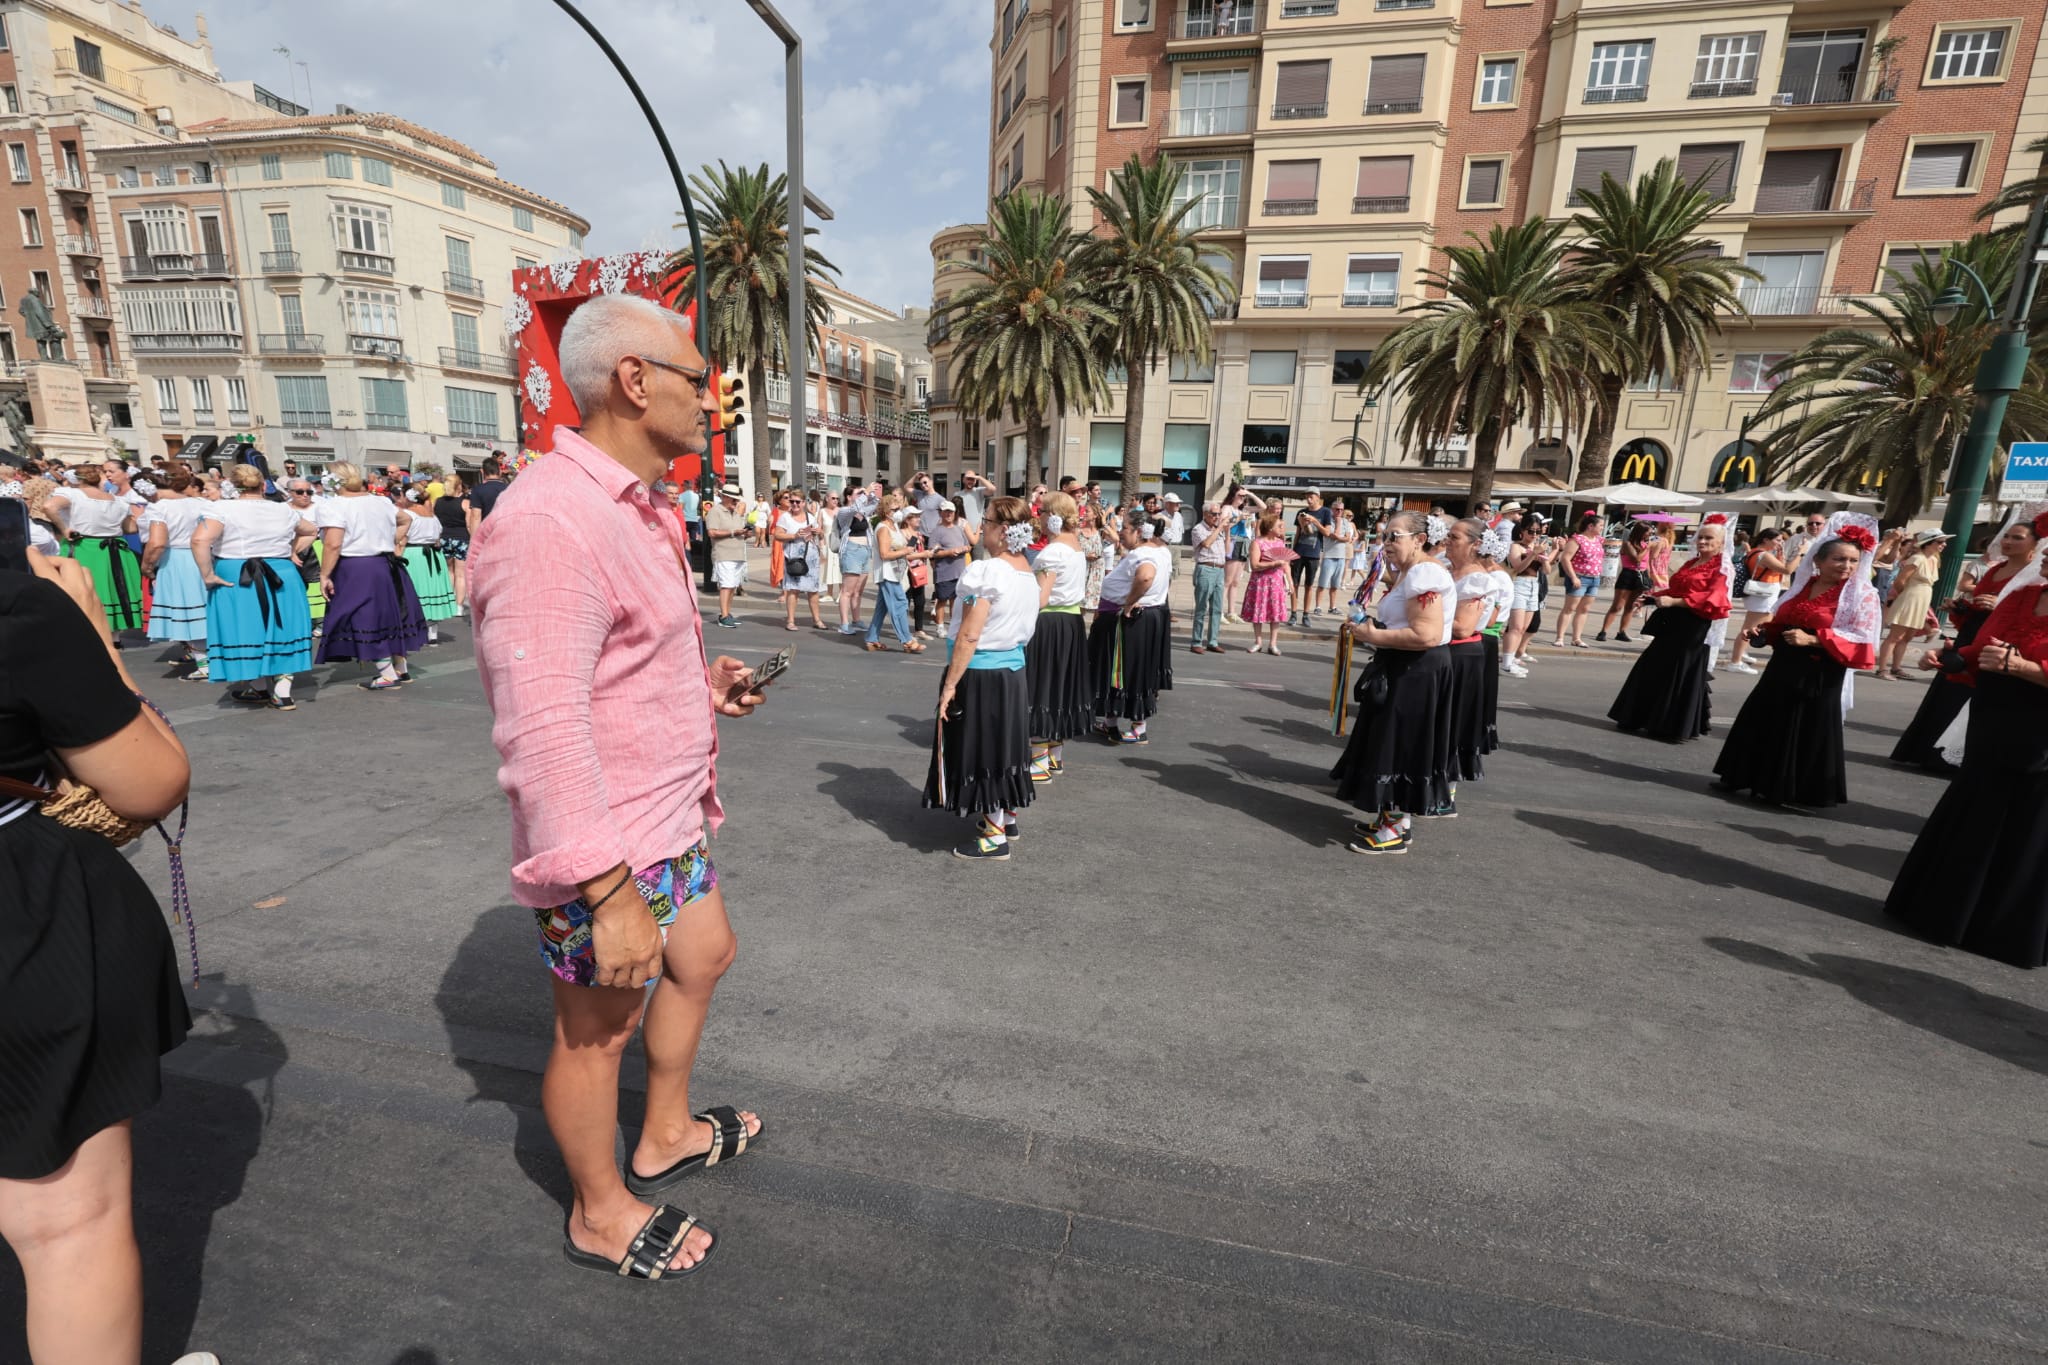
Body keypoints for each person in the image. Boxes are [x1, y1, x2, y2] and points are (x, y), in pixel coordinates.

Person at [469, 291, 767, 1283]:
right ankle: (598, 1210)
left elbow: (620, 660)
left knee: (704, 955)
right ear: (634, 382)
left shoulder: (636, 508)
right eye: (697, 376)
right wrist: (603, 892)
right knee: (597, 1034)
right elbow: (542, 728)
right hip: (606, 845)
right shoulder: (550, 519)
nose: (713, 397)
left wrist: (703, 680)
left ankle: (666, 1130)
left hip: (667, 816)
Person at [0, 547, 202, 1365]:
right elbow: (149, 781)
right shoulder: (19, 610)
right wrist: (89, 626)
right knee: (65, 1223)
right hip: (21, 924)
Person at [1884, 520, 2048, 967]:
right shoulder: (2024, 595)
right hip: (1994, 722)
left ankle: (1997, 928)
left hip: (2039, 733)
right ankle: (1943, 910)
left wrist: (2024, 669)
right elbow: (1987, 645)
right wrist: (1953, 656)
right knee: (1976, 809)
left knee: (2024, 822)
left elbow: (2018, 659)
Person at [1712, 516, 1880, 808]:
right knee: (1765, 716)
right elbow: (1786, 620)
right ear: (1819, 560)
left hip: (1821, 668)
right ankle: (1745, 775)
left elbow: (1863, 640)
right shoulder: (1804, 584)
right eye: (1839, 559)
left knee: (1804, 723)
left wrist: (1815, 640)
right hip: (1784, 664)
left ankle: (1789, 788)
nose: (1847, 566)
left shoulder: (1862, 595)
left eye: (1853, 561)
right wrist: (1764, 631)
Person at [926, 498, 1043, 859]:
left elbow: (970, 634)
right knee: (1004, 743)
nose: (980, 528)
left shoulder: (988, 571)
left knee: (983, 747)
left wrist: (949, 686)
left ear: (1003, 530)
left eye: (986, 520)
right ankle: (1005, 816)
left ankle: (995, 836)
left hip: (982, 671)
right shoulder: (1027, 571)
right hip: (1012, 671)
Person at [1332, 510, 1454, 854]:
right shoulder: (1409, 573)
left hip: (1417, 669)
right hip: (1405, 665)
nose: (1386, 543)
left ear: (1419, 539)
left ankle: (1395, 829)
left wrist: (1372, 635)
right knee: (1390, 741)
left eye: (1394, 536)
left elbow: (1425, 635)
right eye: (1385, 535)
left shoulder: (1424, 574)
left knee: (1401, 744)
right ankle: (1392, 820)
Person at [1892, 513, 2042, 771]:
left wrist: (1997, 606)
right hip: (1973, 633)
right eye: (2006, 536)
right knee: (1947, 688)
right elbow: (1979, 600)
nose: (2007, 542)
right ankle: (1927, 749)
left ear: (2035, 545)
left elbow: (2024, 616)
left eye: (2017, 538)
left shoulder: (2033, 578)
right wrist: (1962, 608)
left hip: (2000, 643)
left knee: (1967, 695)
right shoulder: (1995, 568)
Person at [191, 462, 318, 710]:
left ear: (233, 486)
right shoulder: (283, 510)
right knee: (284, 628)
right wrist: (292, 552)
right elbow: (311, 530)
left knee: (247, 628)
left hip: (238, 572)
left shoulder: (222, 508)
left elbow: (199, 539)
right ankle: (281, 692)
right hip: (281, 571)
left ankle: (258, 686)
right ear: (263, 485)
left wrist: (207, 574)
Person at [1608, 516, 1733, 743]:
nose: (1702, 541)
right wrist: (1650, 598)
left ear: (1721, 543)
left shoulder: (1721, 568)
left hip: (1693, 624)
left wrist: (1674, 602)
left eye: (1709, 538)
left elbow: (1714, 599)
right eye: (1701, 537)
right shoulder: (1691, 563)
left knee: (1679, 671)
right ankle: (1639, 716)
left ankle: (1668, 725)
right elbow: (1674, 589)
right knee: (1655, 666)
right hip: (1673, 621)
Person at [315, 461, 428, 691]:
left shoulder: (334, 505)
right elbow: (406, 519)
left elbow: (333, 544)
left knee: (363, 617)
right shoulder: (380, 501)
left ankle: (387, 674)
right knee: (390, 615)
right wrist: (391, 540)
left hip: (356, 566)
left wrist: (325, 574)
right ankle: (401, 670)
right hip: (385, 563)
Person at [1088, 512, 1174, 743]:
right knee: (1127, 670)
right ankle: (1112, 723)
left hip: (1131, 618)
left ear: (1138, 531)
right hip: (1145, 616)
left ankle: (1137, 727)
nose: (1121, 531)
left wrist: (1127, 604)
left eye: (1124, 528)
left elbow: (1146, 576)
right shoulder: (1160, 550)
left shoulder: (1143, 554)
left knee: (1122, 670)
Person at [1026, 493, 1090, 782]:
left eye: (1041, 513)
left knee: (1042, 684)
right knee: (1061, 685)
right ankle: (1055, 755)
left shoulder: (1052, 552)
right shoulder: (1075, 546)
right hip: (1072, 621)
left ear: (1052, 517)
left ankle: (1038, 760)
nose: (1037, 517)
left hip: (1050, 621)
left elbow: (1039, 598)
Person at [1441, 518, 1495, 813]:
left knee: (1452, 723)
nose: (1448, 540)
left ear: (1475, 544)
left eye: (1455, 537)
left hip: (1461, 657)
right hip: (1442, 651)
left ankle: (1446, 790)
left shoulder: (1479, 579)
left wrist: (1421, 622)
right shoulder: (1446, 569)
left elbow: (1463, 627)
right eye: (1448, 535)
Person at [47, 473, 142, 637]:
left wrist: (64, 528)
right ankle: (114, 640)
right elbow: (131, 528)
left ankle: (93, 640)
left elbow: (49, 507)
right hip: (116, 549)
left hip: (86, 547)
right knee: (112, 593)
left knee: (87, 592)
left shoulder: (71, 494)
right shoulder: (118, 500)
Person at [138, 463, 210, 676]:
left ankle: (204, 664)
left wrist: (147, 565)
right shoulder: (200, 503)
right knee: (204, 610)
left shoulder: (160, 507)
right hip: (204, 554)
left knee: (187, 610)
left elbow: (157, 542)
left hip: (178, 559)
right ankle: (210, 659)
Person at [1877, 531, 1948, 679]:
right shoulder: (1917, 559)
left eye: (1944, 542)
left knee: (1907, 637)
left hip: (1922, 600)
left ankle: (1896, 668)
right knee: (1895, 636)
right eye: (1940, 541)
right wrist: (1906, 597)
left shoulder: (1933, 560)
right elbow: (1899, 582)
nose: (1943, 545)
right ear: (1928, 543)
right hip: (1910, 599)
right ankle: (1882, 669)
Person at [865, 492, 930, 653]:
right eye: (895, 509)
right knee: (900, 603)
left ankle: (871, 639)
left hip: (896, 572)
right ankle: (907, 640)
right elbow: (884, 554)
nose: (898, 512)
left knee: (882, 607)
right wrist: (905, 550)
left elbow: (902, 548)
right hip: (888, 574)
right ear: (887, 512)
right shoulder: (883, 529)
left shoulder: (894, 526)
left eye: (899, 508)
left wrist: (909, 548)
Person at [1723, 527, 1789, 673]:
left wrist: (1780, 553)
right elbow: (1787, 569)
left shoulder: (1755, 552)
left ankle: (1739, 653)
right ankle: (1735, 661)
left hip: (1761, 595)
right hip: (1762, 596)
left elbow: (1779, 568)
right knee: (1750, 629)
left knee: (1752, 627)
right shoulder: (1764, 555)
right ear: (1766, 539)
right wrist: (1800, 553)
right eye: (1778, 540)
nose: (1780, 543)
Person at [399, 487, 459, 644]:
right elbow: (438, 538)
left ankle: (413, 630)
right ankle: (432, 632)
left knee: (414, 591)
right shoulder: (433, 517)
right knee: (430, 590)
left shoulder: (408, 515)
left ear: (408, 498)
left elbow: (402, 538)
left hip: (414, 555)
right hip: (433, 555)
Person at [1499, 516, 1553, 676]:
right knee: (1515, 627)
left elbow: (1547, 571)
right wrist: (1531, 555)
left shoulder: (1538, 546)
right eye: (1531, 531)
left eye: (1537, 531)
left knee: (1523, 628)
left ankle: (1512, 659)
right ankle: (1506, 663)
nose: (1534, 535)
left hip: (1534, 585)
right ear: (1522, 531)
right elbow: (1518, 567)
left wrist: (1544, 559)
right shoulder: (1515, 546)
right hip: (1519, 584)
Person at [771, 488, 827, 631]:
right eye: (792, 501)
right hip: (794, 557)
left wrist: (819, 532)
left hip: (811, 558)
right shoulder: (785, 517)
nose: (794, 504)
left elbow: (820, 535)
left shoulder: (810, 517)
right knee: (793, 590)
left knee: (813, 590)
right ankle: (790, 621)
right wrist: (794, 536)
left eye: (797, 502)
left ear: (803, 503)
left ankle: (817, 619)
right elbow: (777, 535)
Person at [1242, 510, 1293, 655]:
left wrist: (1290, 581)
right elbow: (1255, 565)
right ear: (1270, 528)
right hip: (1261, 581)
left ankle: (1273, 644)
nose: (1282, 529)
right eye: (1279, 526)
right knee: (1258, 610)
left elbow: (1285, 564)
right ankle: (1258, 641)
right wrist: (1273, 563)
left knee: (1275, 612)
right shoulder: (1257, 543)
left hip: (1276, 581)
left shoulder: (1280, 542)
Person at [1551, 511, 1605, 648]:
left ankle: (1577, 638)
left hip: (1594, 577)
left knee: (1584, 609)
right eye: (1601, 525)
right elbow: (1565, 559)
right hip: (1579, 576)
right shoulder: (1577, 539)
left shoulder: (1599, 540)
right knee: (1569, 608)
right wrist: (1573, 577)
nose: (1602, 528)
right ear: (1590, 526)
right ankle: (1560, 637)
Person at [703, 482, 749, 628]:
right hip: (724, 553)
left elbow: (737, 531)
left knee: (732, 586)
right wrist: (733, 532)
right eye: (734, 499)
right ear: (725, 497)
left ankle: (727, 614)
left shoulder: (735, 513)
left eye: (737, 499)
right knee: (726, 585)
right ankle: (723, 616)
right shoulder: (715, 511)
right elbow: (712, 532)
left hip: (737, 554)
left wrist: (745, 533)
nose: (736, 502)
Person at [1597, 523, 1654, 643]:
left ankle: (1622, 632)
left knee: (1630, 606)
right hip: (1628, 574)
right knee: (1617, 606)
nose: (1650, 534)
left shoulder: (1644, 545)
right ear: (1640, 532)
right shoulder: (1627, 544)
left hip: (1640, 575)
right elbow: (1636, 558)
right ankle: (1603, 631)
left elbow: (1646, 563)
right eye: (1648, 532)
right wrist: (1647, 548)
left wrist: (1648, 579)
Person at [834, 484, 878, 633]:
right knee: (847, 591)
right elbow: (854, 508)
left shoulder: (862, 511)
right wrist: (865, 491)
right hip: (851, 550)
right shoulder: (844, 511)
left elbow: (874, 504)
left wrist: (870, 494)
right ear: (848, 497)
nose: (861, 495)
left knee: (858, 591)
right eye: (858, 493)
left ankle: (856, 620)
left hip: (865, 551)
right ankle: (844, 623)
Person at [1188, 500, 1229, 653]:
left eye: (1219, 514)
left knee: (1217, 608)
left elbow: (1226, 549)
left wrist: (1228, 530)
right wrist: (1219, 528)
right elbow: (1206, 544)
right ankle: (1196, 641)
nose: (1217, 517)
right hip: (1205, 569)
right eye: (1214, 514)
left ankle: (1212, 640)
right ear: (1205, 514)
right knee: (1201, 607)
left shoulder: (1219, 529)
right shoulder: (1198, 529)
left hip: (1219, 569)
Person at [927, 500, 974, 630]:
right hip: (944, 573)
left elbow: (968, 545)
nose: (949, 514)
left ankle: (954, 625)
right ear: (941, 513)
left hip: (959, 572)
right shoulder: (936, 531)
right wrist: (949, 552)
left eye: (951, 511)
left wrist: (964, 549)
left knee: (956, 600)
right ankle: (940, 627)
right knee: (942, 600)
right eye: (946, 511)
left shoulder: (959, 529)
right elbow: (932, 553)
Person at [434, 472, 473, 614]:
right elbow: (469, 525)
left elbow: (436, 522)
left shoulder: (438, 502)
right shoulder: (465, 503)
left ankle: (449, 601)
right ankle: (459, 606)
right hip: (462, 539)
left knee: (449, 571)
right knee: (460, 574)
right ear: (459, 486)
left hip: (444, 538)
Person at [1290, 492, 1329, 627]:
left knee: (1309, 585)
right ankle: (1293, 614)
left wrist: (1315, 521)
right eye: (1307, 496)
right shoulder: (1301, 512)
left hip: (1313, 553)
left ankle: (1306, 615)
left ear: (1318, 497)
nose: (1308, 499)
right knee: (1294, 584)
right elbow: (1298, 533)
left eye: (1311, 497)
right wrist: (1292, 552)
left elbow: (1327, 533)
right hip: (1299, 551)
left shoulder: (1325, 512)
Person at [1077, 502, 1110, 610]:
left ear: (1095, 515)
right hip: (1083, 569)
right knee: (1080, 604)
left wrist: (1104, 522)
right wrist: (1085, 556)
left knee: (1096, 604)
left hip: (1097, 571)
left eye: (1087, 511)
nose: (1084, 513)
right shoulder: (1078, 531)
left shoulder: (1101, 532)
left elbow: (1116, 538)